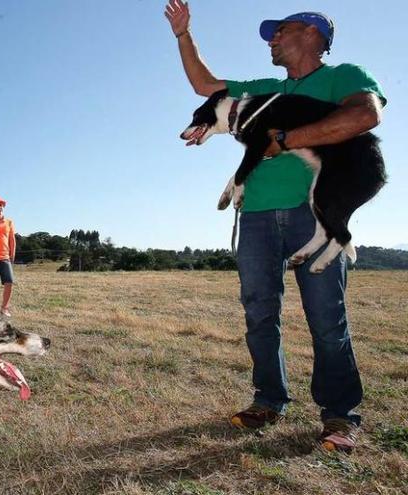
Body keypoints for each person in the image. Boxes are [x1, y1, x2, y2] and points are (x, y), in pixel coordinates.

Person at [165, 2, 385, 452]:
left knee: (326, 319)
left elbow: (365, 116)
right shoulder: (266, 88)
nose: (271, 39)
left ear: (311, 34)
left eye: (279, 31)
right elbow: (204, 86)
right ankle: (269, 400)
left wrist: (285, 140)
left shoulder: (343, 76)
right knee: (259, 315)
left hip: (312, 215)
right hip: (258, 216)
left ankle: (339, 416)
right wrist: (183, 35)